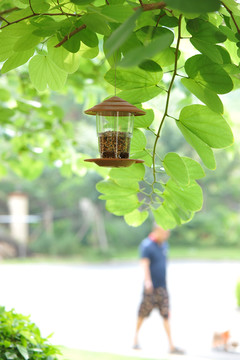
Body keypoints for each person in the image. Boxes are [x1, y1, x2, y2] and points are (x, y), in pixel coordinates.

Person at [133, 225, 184, 355]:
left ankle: (171, 345)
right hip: (151, 288)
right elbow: (144, 263)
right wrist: (147, 281)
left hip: (162, 287)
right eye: (165, 231)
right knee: (143, 313)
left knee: (166, 314)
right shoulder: (147, 245)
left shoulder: (164, 245)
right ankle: (135, 339)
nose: (167, 234)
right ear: (157, 230)